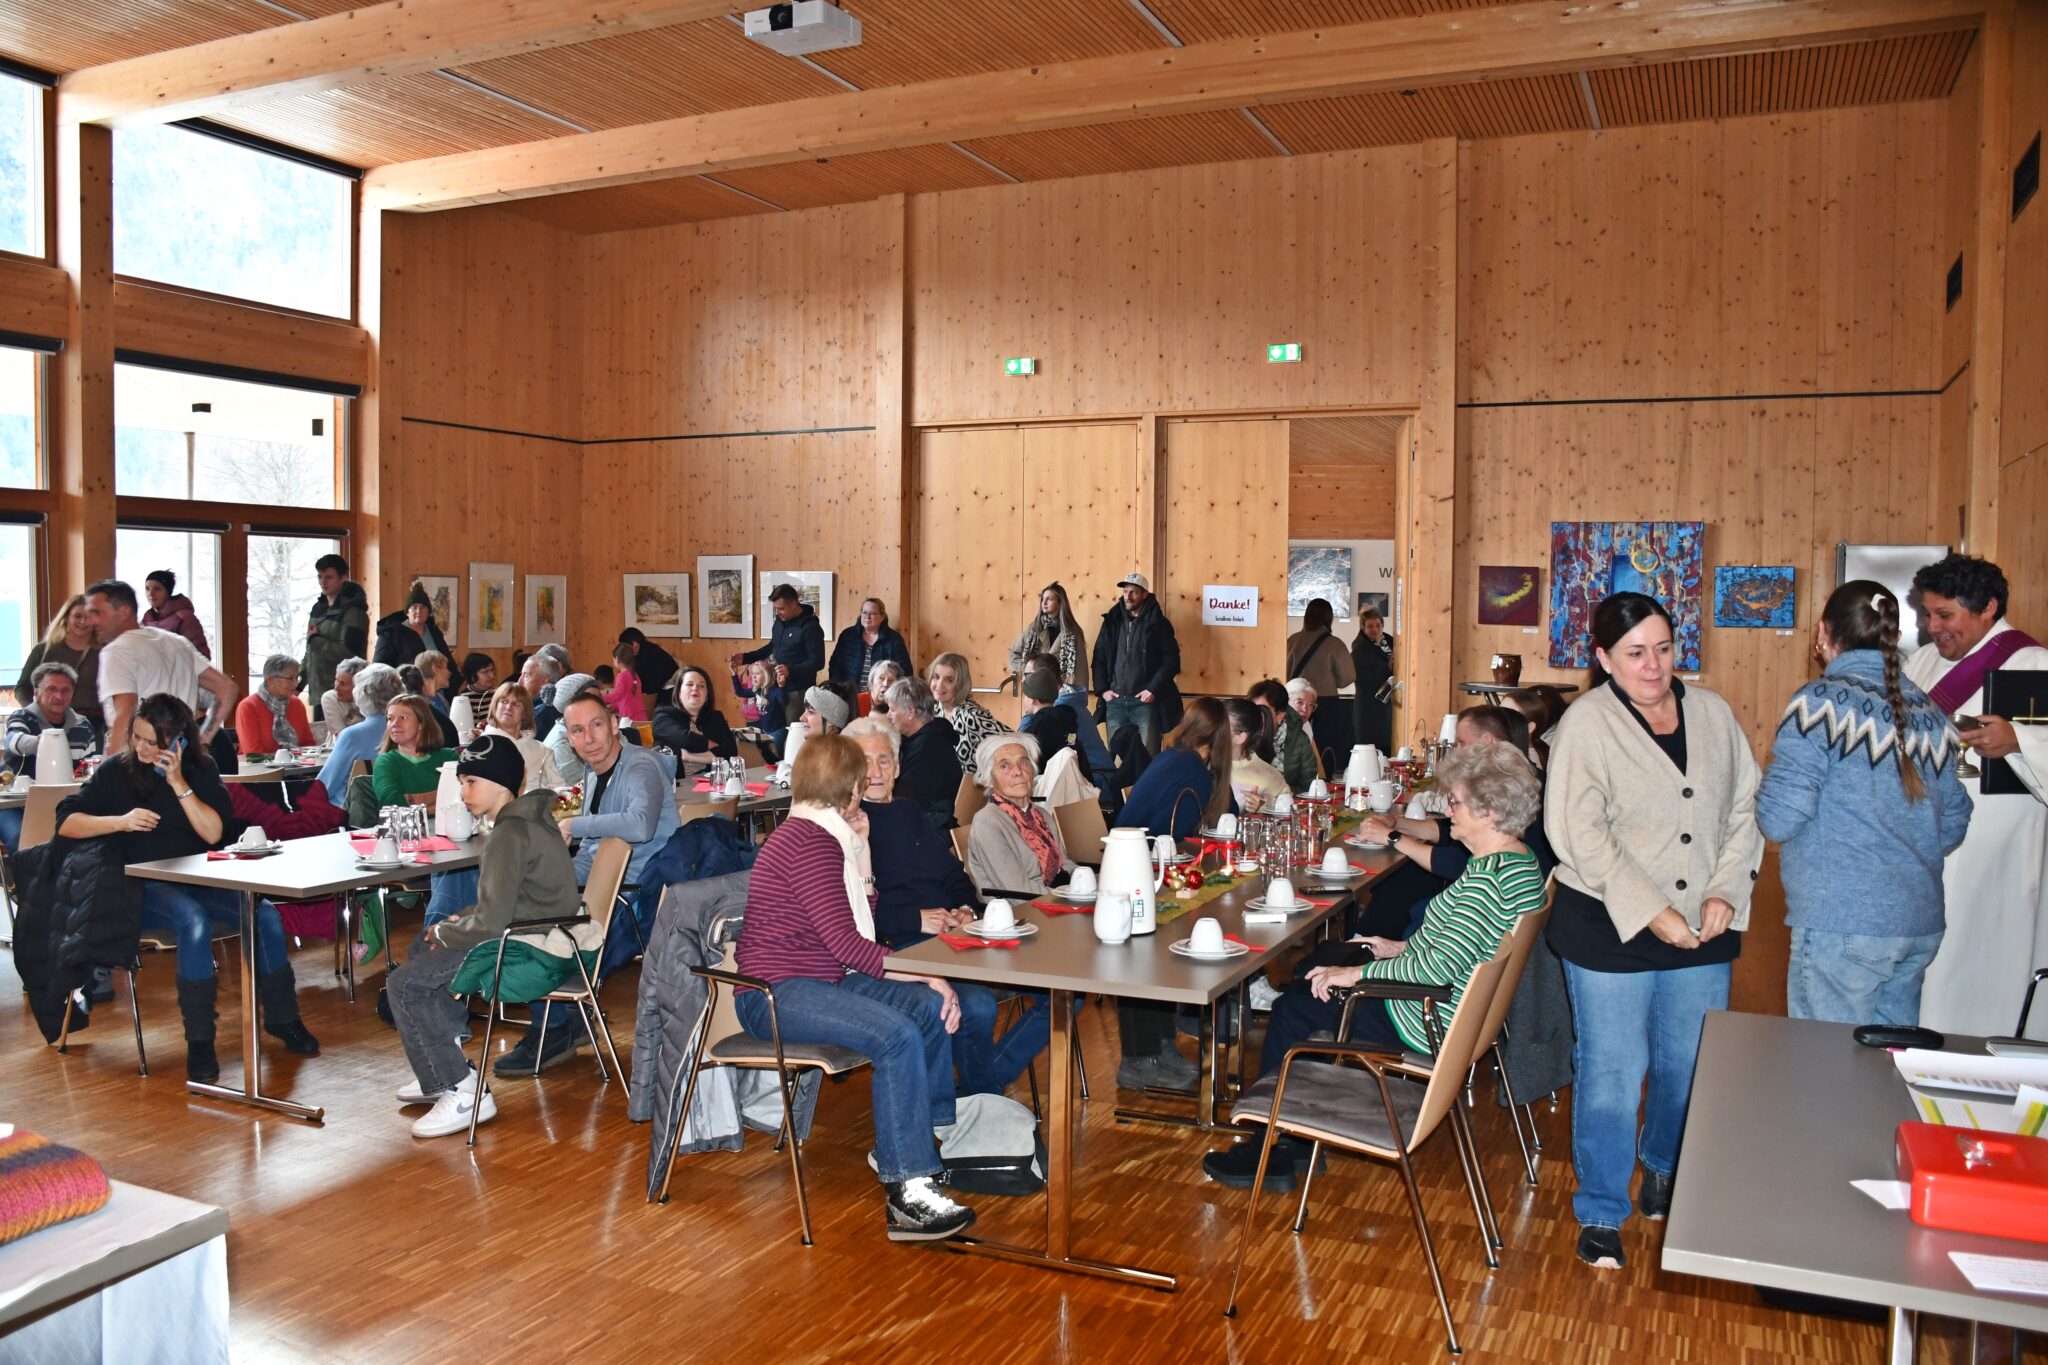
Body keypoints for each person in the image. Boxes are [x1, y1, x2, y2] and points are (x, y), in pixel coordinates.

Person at [1204, 742, 1548, 1190]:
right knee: (1323, 968)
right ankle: (1296, 1135)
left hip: (1423, 1017)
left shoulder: (1486, 882)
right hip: (1453, 1012)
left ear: (1491, 813)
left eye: (1457, 802)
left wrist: (1356, 976)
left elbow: (1434, 971)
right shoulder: (1518, 865)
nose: (1448, 810)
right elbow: (1459, 947)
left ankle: (1274, 1151)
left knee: (1295, 1008)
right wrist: (1393, 947)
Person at [1545, 592, 1762, 1271]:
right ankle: (1602, 1208)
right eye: (1635, 652)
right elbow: (1577, 833)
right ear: (1604, 658)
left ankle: (1663, 1166)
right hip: (1608, 926)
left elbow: (1744, 809)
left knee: (1688, 1066)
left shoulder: (1714, 714)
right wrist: (1650, 910)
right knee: (1613, 1072)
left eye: (1664, 648)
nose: (1653, 665)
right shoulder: (1586, 724)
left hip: (1702, 925)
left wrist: (1727, 888)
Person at [733, 733, 977, 1241]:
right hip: (774, 994)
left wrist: (862, 853)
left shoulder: (825, 836)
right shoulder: (811, 844)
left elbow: (859, 929)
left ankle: (924, 1145)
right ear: (850, 790)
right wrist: (930, 973)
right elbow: (852, 948)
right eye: (861, 783)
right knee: (898, 1033)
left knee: (926, 1008)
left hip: (818, 980)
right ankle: (907, 1191)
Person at [56, 693, 318, 1082]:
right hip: (139, 886)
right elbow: (65, 821)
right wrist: (120, 822)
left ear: (177, 742)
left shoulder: (201, 769)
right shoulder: (116, 771)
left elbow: (212, 833)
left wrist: (178, 783)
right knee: (192, 922)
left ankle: (283, 1018)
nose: (140, 748)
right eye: (137, 737)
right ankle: (200, 1041)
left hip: (199, 878)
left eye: (151, 741)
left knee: (262, 914)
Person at [1758, 581, 1972, 1026]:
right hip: (1918, 923)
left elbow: (1779, 820)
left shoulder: (1819, 703)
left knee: (1826, 1061)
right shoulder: (1931, 714)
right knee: (1889, 1060)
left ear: (1823, 631)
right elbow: (1954, 819)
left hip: (1844, 921)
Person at [386, 734, 582, 1138]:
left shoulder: (509, 834)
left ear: (501, 782)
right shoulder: (531, 819)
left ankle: (462, 1091)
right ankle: (444, 1063)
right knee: (422, 945)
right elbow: (512, 901)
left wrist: (448, 929)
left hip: (526, 949)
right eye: (462, 782)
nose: (463, 792)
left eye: (471, 781)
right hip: (542, 936)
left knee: (404, 984)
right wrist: (459, 920)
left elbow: (493, 925)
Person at [848, 717, 1046, 1096]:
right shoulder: (849, 827)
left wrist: (966, 908)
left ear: (898, 767)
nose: (875, 772)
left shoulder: (910, 813)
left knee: (1056, 989)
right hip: (898, 946)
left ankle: (984, 1086)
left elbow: (954, 874)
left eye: (884, 760)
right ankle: (981, 1098)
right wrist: (916, 920)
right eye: (864, 762)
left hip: (953, 939)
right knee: (978, 1006)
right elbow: (853, 911)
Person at [495, 689, 679, 1075]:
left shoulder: (640, 765)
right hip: (604, 891)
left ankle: (553, 1030)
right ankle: (567, 1022)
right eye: (578, 731)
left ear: (614, 725)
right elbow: (590, 854)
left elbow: (640, 826)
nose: (589, 738)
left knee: (542, 934)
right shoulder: (594, 775)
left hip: (634, 899)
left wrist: (573, 824)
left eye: (596, 725)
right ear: (569, 739)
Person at [1903, 553, 2048, 1037]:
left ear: (1988, 608)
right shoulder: (1922, 662)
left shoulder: (2033, 664)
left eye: (1945, 615)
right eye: (1928, 614)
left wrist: (2019, 741)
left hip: (1996, 854)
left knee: (1981, 964)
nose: (1932, 627)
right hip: (1926, 844)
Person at [1114, 698, 1236, 1092]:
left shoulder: (1177, 759)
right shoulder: (1189, 771)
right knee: (1148, 958)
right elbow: (1188, 832)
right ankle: (1140, 1059)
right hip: (1137, 872)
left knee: (1162, 954)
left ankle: (1161, 1047)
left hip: (1139, 865)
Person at [87, 579, 237, 754]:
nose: (91, 621)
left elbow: (126, 716)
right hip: (182, 758)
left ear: (124, 612)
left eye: (97, 613)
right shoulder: (177, 642)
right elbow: (227, 688)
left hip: (143, 760)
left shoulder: (117, 651)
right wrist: (202, 739)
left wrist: (111, 766)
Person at [1009, 582, 1111, 779]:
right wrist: (1029, 672)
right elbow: (1014, 653)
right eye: (1042, 599)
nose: (1044, 603)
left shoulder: (1072, 632)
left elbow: (1079, 670)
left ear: (1060, 602)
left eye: (1049, 598)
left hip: (1093, 782)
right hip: (1049, 690)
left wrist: (1038, 683)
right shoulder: (1034, 628)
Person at [0, 663, 97, 853]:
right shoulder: (22, 718)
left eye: (65, 690)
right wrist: (47, 743)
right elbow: (14, 741)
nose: (59, 696)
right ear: (36, 692)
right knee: (22, 838)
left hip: (63, 805)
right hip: (14, 807)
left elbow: (89, 768)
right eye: (52, 689)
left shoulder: (82, 725)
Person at [967, 733, 1072, 895]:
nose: (1017, 771)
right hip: (1024, 906)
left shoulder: (1041, 814)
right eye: (1004, 766)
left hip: (1057, 895)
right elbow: (1016, 891)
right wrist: (1069, 896)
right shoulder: (987, 822)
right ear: (989, 780)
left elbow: (1063, 864)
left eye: (1023, 762)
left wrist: (1088, 882)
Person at [1090, 571, 1181, 755]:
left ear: (1145, 594)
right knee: (1115, 756)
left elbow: (1171, 660)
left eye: (1133, 592)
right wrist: (1102, 690)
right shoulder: (1112, 622)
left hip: (1144, 704)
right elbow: (1099, 657)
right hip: (1115, 701)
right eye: (1125, 592)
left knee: (1147, 756)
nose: (1128, 596)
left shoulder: (1159, 624)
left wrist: (1152, 689)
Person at [886, 677, 963, 833]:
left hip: (930, 829)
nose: (888, 715)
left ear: (910, 712)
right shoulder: (928, 736)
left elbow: (904, 800)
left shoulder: (927, 746)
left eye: (892, 709)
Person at [731, 584, 826, 710]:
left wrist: (790, 670)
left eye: (781, 608)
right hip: (774, 689)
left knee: (792, 724)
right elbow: (772, 648)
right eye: (775, 608)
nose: (777, 612)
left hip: (797, 692)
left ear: (793, 604)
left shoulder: (811, 627)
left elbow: (818, 662)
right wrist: (746, 658)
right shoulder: (779, 621)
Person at [14, 595, 103, 728]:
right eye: (77, 616)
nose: (83, 621)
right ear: (66, 617)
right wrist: (33, 714)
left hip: (96, 726)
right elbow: (22, 687)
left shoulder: (106, 652)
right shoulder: (44, 650)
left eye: (89, 617)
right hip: (51, 724)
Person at [315, 663, 402, 798]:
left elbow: (324, 788)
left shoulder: (353, 735)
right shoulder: (411, 728)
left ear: (361, 695)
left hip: (355, 806)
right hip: (402, 802)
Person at [1286, 598, 1356, 764]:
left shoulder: (1292, 641)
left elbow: (1284, 673)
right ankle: (1325, 776)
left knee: (1294, 743)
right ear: (1328, 618)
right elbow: (1348, 677)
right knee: (1326, 747)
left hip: (1296, 701)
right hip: (1327, 703)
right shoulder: (1334, 644)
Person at [301, 554, 369, 723]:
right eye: (320, 577)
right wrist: (300, 680)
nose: (323, 582)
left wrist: (316, 641)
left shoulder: (354, 612)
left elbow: (350, 655)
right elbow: (310, 650)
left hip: (343, 692)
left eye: (329, 577)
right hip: (318, 689)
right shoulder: (318, 608)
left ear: (343, 578)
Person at [479, 682, 565, 793]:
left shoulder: (541, 749)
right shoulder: (482, 748)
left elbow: (558, 786)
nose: (508, 707)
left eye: (516, 704)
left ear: (525, 713)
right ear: (495, 707)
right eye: (504, 702)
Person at [373, 695, 457, 809]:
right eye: (390, 719)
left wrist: (411, 800)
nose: (394, 724)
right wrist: (443, 796)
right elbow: (391, 802)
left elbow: (462, 795)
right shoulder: (386, 761)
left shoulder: (449, 757)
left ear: (421, 723)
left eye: (403, 718)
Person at [1017, 664, 1093, 786]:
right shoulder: (1067, 721)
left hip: (1047, 793)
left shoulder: (1036, 729)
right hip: (1074, 790)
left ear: (1031, 699)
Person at [651, 665, 737, 765]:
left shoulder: (715, 717)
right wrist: (712, 745)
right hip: (673, 775)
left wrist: (690, 757)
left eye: (701, 685)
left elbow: (731, 752)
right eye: (689, 684)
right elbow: (686, 739)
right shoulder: (663, 715)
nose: (695, 688)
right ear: (678, 692)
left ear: (707, 695)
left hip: (711, 774)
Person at [233, 655, 317, 757]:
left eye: (297, 678)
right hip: (258, 766)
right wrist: (285, 761)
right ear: (271, 680)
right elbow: (253, 754)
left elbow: (308, 745)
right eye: (290, 679)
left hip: (297, 765)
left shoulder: (297, 704)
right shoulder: (248, 707)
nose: (296, 684)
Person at [927, 653, 1000, 768]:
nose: (939, 685)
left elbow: (1013, 742)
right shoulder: (934, 709)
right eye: (936, 677)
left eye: (949, 680)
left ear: (961, 685)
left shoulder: (972, 715)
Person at [829, 597, 914, 690]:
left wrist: (892, 692)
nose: (867, 617)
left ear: (882, 617)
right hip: (849, 693)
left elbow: (905, 670)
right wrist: (838, 689)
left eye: (872, 613)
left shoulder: (894, 639)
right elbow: (835, 665)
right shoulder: (847, 635)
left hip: (882, 694)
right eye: (864, 612)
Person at [1249, 679, 1316, 792]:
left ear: (1280, 716)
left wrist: (1281, 794)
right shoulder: (1241, 735)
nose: (1256, 715)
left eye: (1263, 710)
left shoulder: (1299, 739)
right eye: (1253, 709)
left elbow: (1309, 785)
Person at [1222, 696, 1285, 813]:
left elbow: (1288, 807)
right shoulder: (1202, 761)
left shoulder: (1267, 775)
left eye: (1221, 728)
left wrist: (1261, 807)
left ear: (1240, 737)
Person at [1350, 603, 1396, 754]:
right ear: (1363, 628)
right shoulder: (1359, 650)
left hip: (1388, 707)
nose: (1374, 629)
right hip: (1369, 709)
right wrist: (1387, 668)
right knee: (1370, 750)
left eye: (1378, 625)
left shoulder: (1390, 641)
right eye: (1370, 626)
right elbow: (1364, 680)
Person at [373, 583, 451, 667]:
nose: (419, 611)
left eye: (423, 607)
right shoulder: (391, 634)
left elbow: (449, 664)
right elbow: (379, 669)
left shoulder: (435, 632)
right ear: (407, 612)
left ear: (428, 612)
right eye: (414, 607)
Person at [542, 672, 599, 785]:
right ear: (570, 705)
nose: (598, 705)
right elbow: (580, 787)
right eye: (589, 699)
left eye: (599, 698)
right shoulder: (560, 745)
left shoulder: (593, 727)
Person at [141, 570, 211, 658]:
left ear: (168, 591)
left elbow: (202, 656)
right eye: (147, 589)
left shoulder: (184, 618)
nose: (151, 594)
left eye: (157, 589)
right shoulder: (147, 619)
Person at [1502, 684, 1568, 767]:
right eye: (1498, 712)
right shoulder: (1513, 752)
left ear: (1529, 728)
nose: (1497, 719)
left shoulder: (1522, 762)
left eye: (1508, 716)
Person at [732, 659, 790, 747]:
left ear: (767, 675)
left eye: (757, 673)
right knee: (767, 753)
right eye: (752, 674)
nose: (754, 677)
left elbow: (784, 701)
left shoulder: (775, 690)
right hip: (765, 731)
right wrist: (734, 674)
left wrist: (782, 686)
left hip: (777, 732)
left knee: (776, 754)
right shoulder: (757, 691)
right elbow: (740, 692)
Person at [412, 650, 462, 748]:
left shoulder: (442, 700)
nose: (449, 672)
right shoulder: (417, 703)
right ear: (435, 669)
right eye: (446, 668)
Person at [616, 627, 680, 697]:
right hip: (657, 690)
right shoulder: (640, 652)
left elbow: (647, 685)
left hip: (669, 691)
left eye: (624, 647)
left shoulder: (651, 654)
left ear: (635, 645)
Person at [521, 652, 566, 741]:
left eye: (526, 675)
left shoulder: (539, 715)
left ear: (545, 680)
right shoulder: (563, 701)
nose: (519, 681)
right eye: (521, 675)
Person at [1283, 677, 1323, 776]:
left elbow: (1313, 771)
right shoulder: (1276, 726)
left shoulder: (1306, 726)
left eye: (1310, 705)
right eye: (1299, 702)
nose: (1305, 709)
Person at [603, 642, 649, 723]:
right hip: (642, 717)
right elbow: (628, 699)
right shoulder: (635, 675)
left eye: (613, 659)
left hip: (628, 719)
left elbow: (617, 695)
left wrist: (600, 698)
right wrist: (614, 707)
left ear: (617, 659)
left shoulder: (622, 676)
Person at [321, 657, 366, 733]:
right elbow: (341, 735)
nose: (336, 688)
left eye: (342, 683)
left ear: (358, 686)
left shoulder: (371, 699)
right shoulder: (330, 698)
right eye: (336, 680)